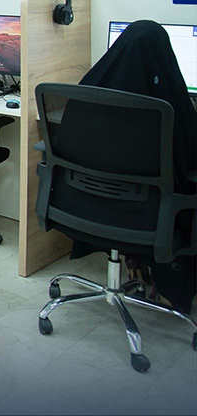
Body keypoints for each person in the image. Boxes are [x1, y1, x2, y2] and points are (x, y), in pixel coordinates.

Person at [72, 20, 196, 312]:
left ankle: (133, 263)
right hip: (146, 217)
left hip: (88, 208)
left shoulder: (87, 93)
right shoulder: (169, 110)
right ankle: (171, 284)